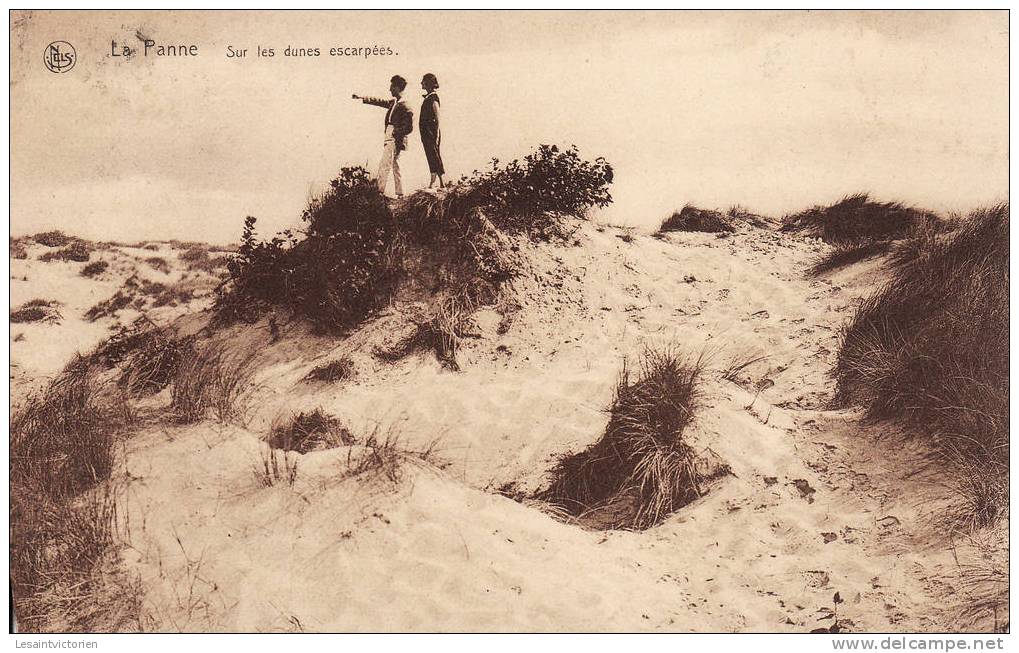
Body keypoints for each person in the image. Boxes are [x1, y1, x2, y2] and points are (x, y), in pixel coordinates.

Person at [353, 75, 413, 198]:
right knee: (396, 166)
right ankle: (400, 194)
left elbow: (409, 128)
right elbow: (379, 101)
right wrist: (363, 98)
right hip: (392, 136)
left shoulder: (405, 105)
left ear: (397, 87)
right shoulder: (395, 102)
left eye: (391, 86)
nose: (389, 89)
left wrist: (395, 133)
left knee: (385, 164)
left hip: (395, 138)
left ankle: (379, 191)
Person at [419, 73, 445, 189]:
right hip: (426, 131)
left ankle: (433, 181)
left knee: (433, 154)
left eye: (423, 81)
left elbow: (437, 115)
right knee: (433, 154)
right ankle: (442, 182)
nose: (421, 83)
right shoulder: (429, 97)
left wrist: (437, 133)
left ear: (428, 83)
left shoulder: (433, 97)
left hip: (431, 131)